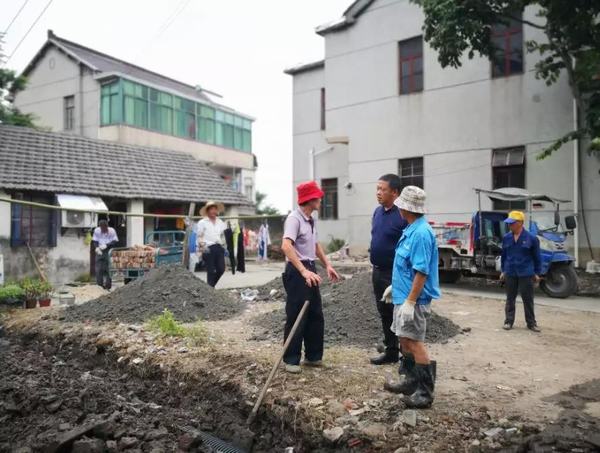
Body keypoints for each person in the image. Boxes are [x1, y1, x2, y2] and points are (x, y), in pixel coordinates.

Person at [383, 186, 440, 409]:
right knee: (404, 339)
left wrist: (410, 301)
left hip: (413, 300)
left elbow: (421, 271)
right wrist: (394, 287)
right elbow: (406, 267)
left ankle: (425, 393)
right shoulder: (411, 229)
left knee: (414, 342)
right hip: (402, 295)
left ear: (406, 208)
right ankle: (410, 381)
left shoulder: (421, 234)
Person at [281, 181, 340, 374]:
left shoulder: (311, 220)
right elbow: (286, 247)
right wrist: (303, 271)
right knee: (297, 314)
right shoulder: (294, 219)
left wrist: (327, 265)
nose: (320, 200)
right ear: (309, 199)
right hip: (297, 270)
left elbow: (315, 245)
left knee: (315, 314)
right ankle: (291, 359)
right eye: (318, 197)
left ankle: (313, 357)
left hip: (310, 266)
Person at [369, 174, 408, 365]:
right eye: (377, 188)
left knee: (399, 314)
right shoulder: (377, 212)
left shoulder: (402, 214)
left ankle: (407, 357)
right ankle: (391, 352)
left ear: (394, 192)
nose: (378, 193)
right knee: (384, 312)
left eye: (382, 189)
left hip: (396, 273)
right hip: (378, 271)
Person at [500, 211, 542, 332]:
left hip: (526, 273)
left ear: (520, 223)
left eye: (512, 223)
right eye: (509, 223)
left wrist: (537, 273)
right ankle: (508, 321)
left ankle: (531, 323)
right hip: (510, 272)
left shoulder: (532, 239)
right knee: (510, 298)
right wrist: (503, 270)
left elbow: (537, 257)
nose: (510, 225)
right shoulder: (506, 238)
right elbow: (504, 255)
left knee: (528, 299)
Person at [197, 201, 227, 287]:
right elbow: (199, 237)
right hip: (208, 248)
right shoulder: (202, 222)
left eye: (215, 209)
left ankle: (210, 287)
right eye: (211, 209)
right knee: (210, 271)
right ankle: (210, 289)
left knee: (221, 269)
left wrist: (224, 245)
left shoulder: (220, 222)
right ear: (207, 211)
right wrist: (201, 249)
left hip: (218, 247)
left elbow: (223, 235)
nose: (214, 211)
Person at [92, 219, 119, 290]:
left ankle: (108, 285)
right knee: (98, 268)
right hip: (100, 250)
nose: (103, 230)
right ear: (100, 227)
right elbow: (95, 240)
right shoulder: (97, 230)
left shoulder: (112, 231)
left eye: (105, 228)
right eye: (102, 228)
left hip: (109, 250)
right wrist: (97, 248)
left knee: (108, 268)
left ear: (107, 226)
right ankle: (99, 286)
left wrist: (107, 245)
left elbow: (115, 241)